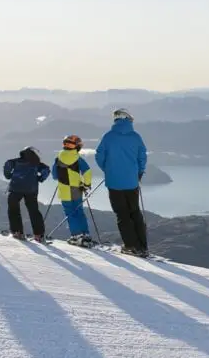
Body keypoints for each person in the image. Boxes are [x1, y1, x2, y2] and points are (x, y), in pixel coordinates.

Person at [95, 108, 149, 256]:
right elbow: (142, 157)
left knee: (122, 214)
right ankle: (143, 246)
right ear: (129, 120)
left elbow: (99, 156)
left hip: (114, 183)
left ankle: (130, 245)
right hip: (132, 182)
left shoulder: (108, 136)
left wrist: (108, 169)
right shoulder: (136, 137)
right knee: (135, 212)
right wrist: (138, 173)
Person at [50, 135, 95, 247]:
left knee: (70, 213)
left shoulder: (58, 158)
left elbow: (55, 175)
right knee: (79, 211)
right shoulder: (78, 159)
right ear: (78, 147)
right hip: (76, 189)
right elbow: (87, 172)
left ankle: (76, 235)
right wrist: (86, 184)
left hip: (64, 190)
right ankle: (86, 234)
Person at [2, 146, 51, 241]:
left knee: (13, 210)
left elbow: (7, 165)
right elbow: (46, 170)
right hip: (31, 190)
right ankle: (39, 235)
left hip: (16, 188)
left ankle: (17, 232)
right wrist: (40, 178)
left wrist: (9, 176)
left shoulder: (15, 161)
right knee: (34, 211)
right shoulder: (36, 163)